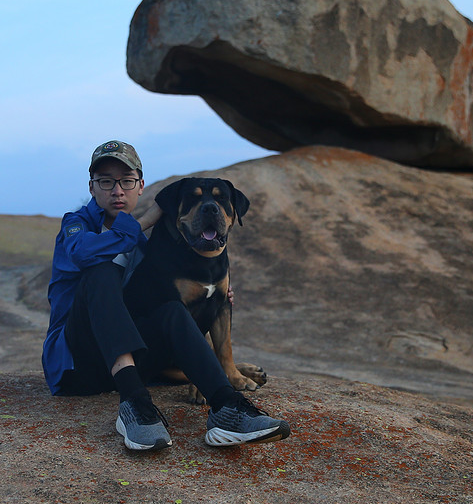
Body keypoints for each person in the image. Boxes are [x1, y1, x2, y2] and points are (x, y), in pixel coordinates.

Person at [41, 140, 291, 451]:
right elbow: (82, 255)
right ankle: (135, 406)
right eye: (105, 181)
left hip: (134, 365)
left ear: (140, 186)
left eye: (126, 181)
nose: (117, 190)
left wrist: (214, 296)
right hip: (79, 364)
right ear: (92, 188)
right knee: (100, 271)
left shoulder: (146, 248)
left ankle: (227, 408)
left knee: (172, 308)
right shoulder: (76, 225)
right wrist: (144, 221)